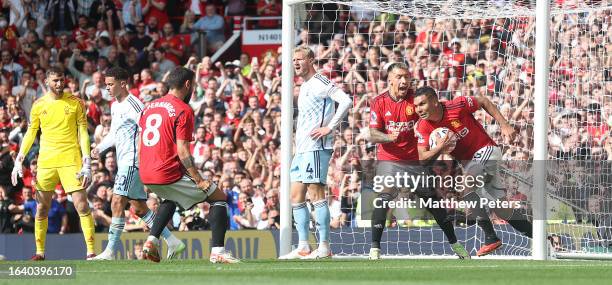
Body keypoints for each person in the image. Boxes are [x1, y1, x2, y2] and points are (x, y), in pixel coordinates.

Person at [413, 86, 532, 257]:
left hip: (487, 150)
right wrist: (439, 148)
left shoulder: (456, 106)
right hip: (469, 163)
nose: (419, 109)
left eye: (422, 104)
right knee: (502, 210)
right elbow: (422, 158)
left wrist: (504, 124)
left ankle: (491, 238)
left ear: (434, 101)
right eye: (416, 106)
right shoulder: (422, 126)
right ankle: (542, 237)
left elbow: (483, 101)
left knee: (466, 186)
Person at [366, 63, 469, 260]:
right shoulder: (378, 102)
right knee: (384, 197)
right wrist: (389, 137)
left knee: (434, 203)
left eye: (407, 77)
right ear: (390, 80)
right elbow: (372, 133)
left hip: (415, 161)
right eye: (399, 77)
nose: (404, 81)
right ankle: (374, 249)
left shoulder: (416, 100)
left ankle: (456, 245)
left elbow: (433, 116)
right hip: (389, 159)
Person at [138, 67, 239, 263]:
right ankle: (218, 251)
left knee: (172, 197)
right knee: (218, 197)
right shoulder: (183, 109)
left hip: (146, 172)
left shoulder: (149, 107)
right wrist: (199, 179)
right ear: (187, 85)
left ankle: (152, 240)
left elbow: (141, 146)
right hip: (165, 172)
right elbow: (183, 151)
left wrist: (144, 175)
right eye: (193, 85)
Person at [90, 67, 185, 260]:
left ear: (122, 84)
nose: (106, 88)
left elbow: (147, 131)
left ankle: (109, 252)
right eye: (106, 84)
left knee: (117, 201)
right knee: (139, 207)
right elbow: (115, 135)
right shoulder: (115, 105)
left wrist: (146, 157)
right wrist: (99, 148)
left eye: (110, 84)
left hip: (133, 161)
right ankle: (173, 241)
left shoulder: (134, 105)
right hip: (123, 161)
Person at [11, 66, 96, 260]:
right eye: (55, 81)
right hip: (47, 161)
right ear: (47, 82)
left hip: (71, 159)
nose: (59, 84)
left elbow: (83, 132)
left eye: (62, 80)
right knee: (41, 207)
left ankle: (91, 251)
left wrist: (87, 162)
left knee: (81, 205)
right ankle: (40, 252)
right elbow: (31, 132)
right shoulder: (39, 104)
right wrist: (19, 159)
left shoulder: (76, 102)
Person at [279, 46, 352, 260]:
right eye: (293, 60)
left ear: (311, 60)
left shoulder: (320, 81)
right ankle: (303, 246)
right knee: (295, 196)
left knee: (316, 194)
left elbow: (346, 100)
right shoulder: (304, 86)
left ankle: (325, 246)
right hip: (302, 149)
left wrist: (330, 127)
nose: (296, 63)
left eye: (300, 59)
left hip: (316, 147)